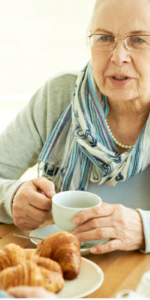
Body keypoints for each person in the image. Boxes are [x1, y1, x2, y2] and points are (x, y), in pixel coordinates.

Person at [0, 0, 150, 255]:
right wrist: (11, 196)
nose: (118, 56)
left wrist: (144, 227)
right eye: (104, 37)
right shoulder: (59, 95)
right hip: (59, 281)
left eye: (138, 40)